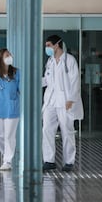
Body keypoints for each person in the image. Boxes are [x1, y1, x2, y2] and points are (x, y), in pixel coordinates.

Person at [41, 35, 83, 172]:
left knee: (67, 130)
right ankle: (49, 160)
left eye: (48, 45)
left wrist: (71, 99)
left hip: (65, 101)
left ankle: (69, 161)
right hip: (51, 101)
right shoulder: (50, 61)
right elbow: (47, 79)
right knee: (47, 129)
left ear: (56, 45)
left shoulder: (69, 60)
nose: (46, 48)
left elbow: (75, 81)